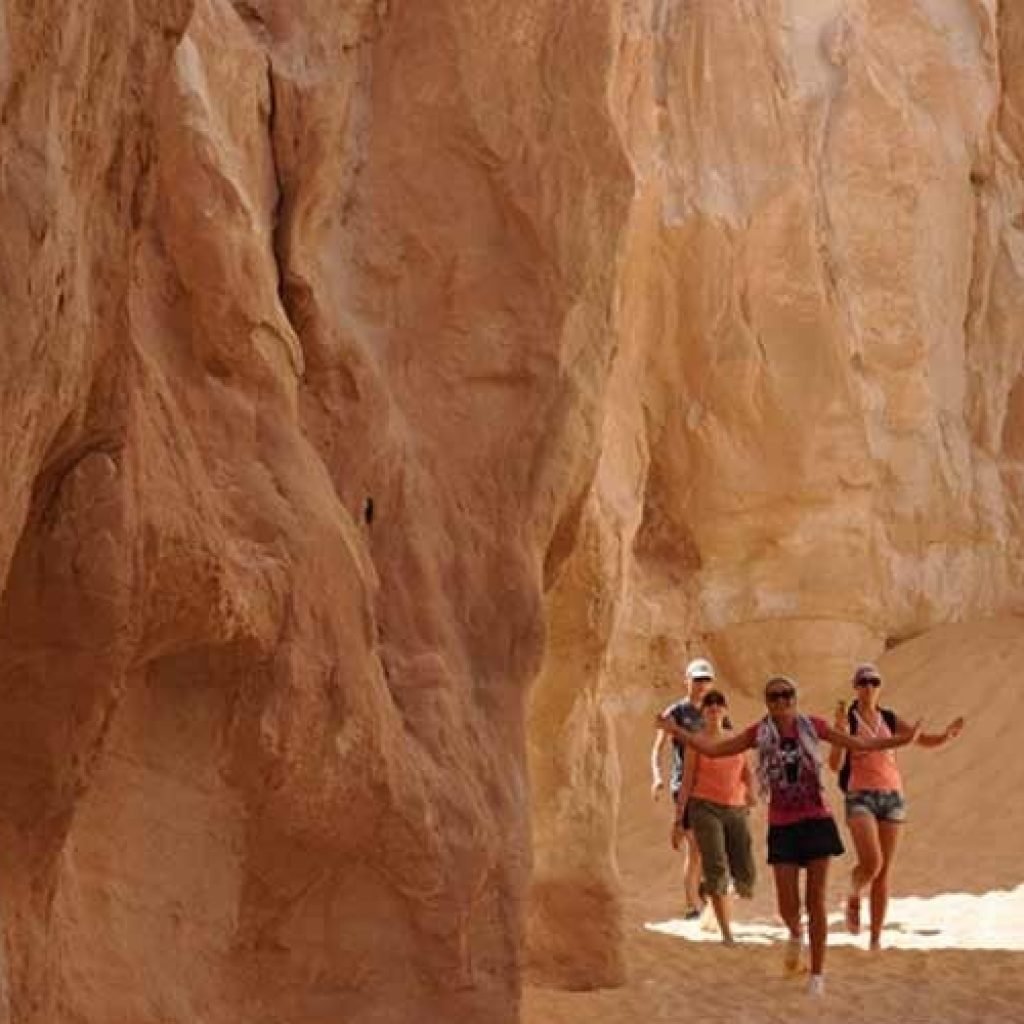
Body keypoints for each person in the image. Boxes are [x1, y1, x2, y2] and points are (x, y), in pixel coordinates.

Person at [658, 674, 919, 996]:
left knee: (816, 902)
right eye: (774, 696)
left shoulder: (814, 726)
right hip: (782, 824)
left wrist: (900, 741)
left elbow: (860, 744)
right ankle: (796, 933)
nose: (782, 701)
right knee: (787, 907)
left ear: (795, 697)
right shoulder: (759, 732)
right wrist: (676, 732)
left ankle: (817, 976)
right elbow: (716, 749)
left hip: (817, 820)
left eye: (787, 694)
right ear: (767, 702)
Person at [828, 662, 965, 950]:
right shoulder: (849, 720)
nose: (869, 687)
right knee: (872, 863)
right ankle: (853, 891)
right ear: (855, 687)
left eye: (874, 682)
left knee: (884, 871)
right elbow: (834, 764)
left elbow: (920, 740)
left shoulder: (888, 717)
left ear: (880, 687)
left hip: (892, 796)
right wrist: (839, 732)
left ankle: (875, 940)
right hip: (860, 795)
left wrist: (946, 735)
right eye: (863, 682)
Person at [676, 688, 757, 944]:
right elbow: (687, 782)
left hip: (735, 808)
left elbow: (747, 773)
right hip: (705, 807)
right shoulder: (696, 743)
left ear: (725, 709)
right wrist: (679, 820)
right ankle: (726, 933)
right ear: (703, 711)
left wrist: (751, 793)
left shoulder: (736, 740)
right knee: (716, 865)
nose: (713, 707)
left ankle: (713, 894)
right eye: (708, 704)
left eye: (718, 703)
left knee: (746, 875)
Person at [651, 657, 716, 918]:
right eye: (697, 679)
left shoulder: (715, 709)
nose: (702, 685)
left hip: (711, 784)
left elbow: (725, 742)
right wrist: (656, 776)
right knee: (695, 846)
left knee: (707, 845)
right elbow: (657, 748)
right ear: (686, 681)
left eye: (706, 680)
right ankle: (691, 905)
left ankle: (701, 886)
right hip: (684, 785)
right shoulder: (675, 712)